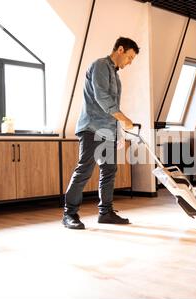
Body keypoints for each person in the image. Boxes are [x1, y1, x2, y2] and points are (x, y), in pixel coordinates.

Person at [62, 37, 139, 230]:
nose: (130, 62)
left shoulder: (116, 76)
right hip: (91, 128)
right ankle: (69, 214)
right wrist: (124, 119)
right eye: (129, 57)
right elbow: (102, 98)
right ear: (120, 50)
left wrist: (118, 132)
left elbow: (113, 108)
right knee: (85, 170)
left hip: (108, 131)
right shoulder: (100, 66)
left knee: (109, 171)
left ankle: (106, 212)